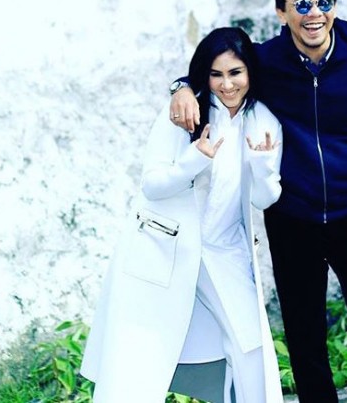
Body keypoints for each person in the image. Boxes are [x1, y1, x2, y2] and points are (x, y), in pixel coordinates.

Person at [169, 0, 347, 403]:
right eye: (301, 5)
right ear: (281, 12)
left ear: (334, 4)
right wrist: (181, 86)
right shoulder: (265, 62)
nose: (314, 14)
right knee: (304, 336)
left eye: (324, 2)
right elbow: (219, 69)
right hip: (292, 219)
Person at [81, 27, 285, 403]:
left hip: (226, 250)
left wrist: (262, 166)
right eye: (216, 74)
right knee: (138, 358)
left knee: (251, 346)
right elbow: (153, 185)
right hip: (167, 248)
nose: (227, 84)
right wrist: (194, 160)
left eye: (236, 73)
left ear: (250, 72)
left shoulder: (264, 121)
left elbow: (265, 199)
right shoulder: (185, 111)